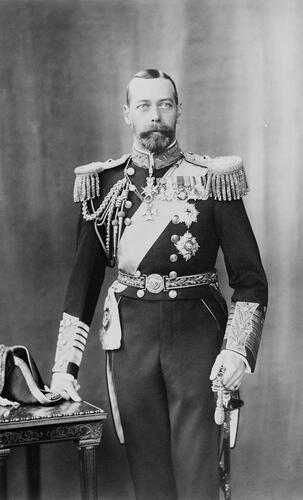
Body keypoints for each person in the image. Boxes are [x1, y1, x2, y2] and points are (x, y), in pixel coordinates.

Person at [50, 69, 268, 500]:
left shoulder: (214, 178)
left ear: (179, 111)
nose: (155, 116)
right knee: (147, 476)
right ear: (128, 113)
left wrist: (236, 349)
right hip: (131, 343)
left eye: (164, 105)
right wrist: (64, 368)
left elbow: (249, 280)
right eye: (145, 106)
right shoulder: (104, 185)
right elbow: (83, 285)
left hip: (198, 338)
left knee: (198, 474)